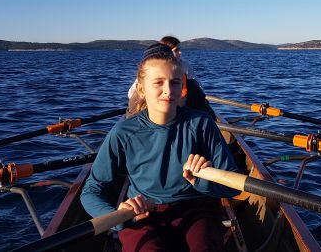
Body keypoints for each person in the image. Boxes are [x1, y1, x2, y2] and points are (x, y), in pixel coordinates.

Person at [81, 43, 239, 252]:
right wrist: (117, 216)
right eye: (158, 83)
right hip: (143, 213)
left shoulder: (201, 123)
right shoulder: (123, 132)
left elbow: (234, 184)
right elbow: (91, 191)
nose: (168, 91)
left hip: (196, 209)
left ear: (182, 86)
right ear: (141, 89)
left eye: (174, 83)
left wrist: (203, 181)